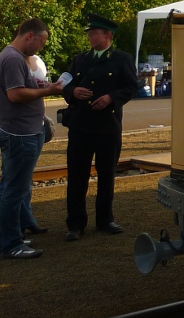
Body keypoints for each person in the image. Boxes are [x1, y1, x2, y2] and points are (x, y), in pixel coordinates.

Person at [62, 14, 139, 241]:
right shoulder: (80, 60)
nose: (90, 37)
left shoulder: (121, 59)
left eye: (94, 33)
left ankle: (105, 219)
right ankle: (75, 223)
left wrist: (111, 98)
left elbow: (131, 87)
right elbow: (66, 84)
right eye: (89, 33)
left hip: (107, 126)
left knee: (107, 175)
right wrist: (72, 92)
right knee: (77, 177)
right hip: (81, 126)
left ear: (107, 35)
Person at [0, 19, 63, 259]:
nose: (41, 48)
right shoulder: (13, 58)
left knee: (12, 188)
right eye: (41, 41)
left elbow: (21, 88)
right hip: (20, 134)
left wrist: (41, 85)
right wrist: (48, 91)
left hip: (24, 131)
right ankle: (11, 243)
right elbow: (15, 95)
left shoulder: (14, 57)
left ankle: (10, 236)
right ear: (29, 36)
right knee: (14, 191)